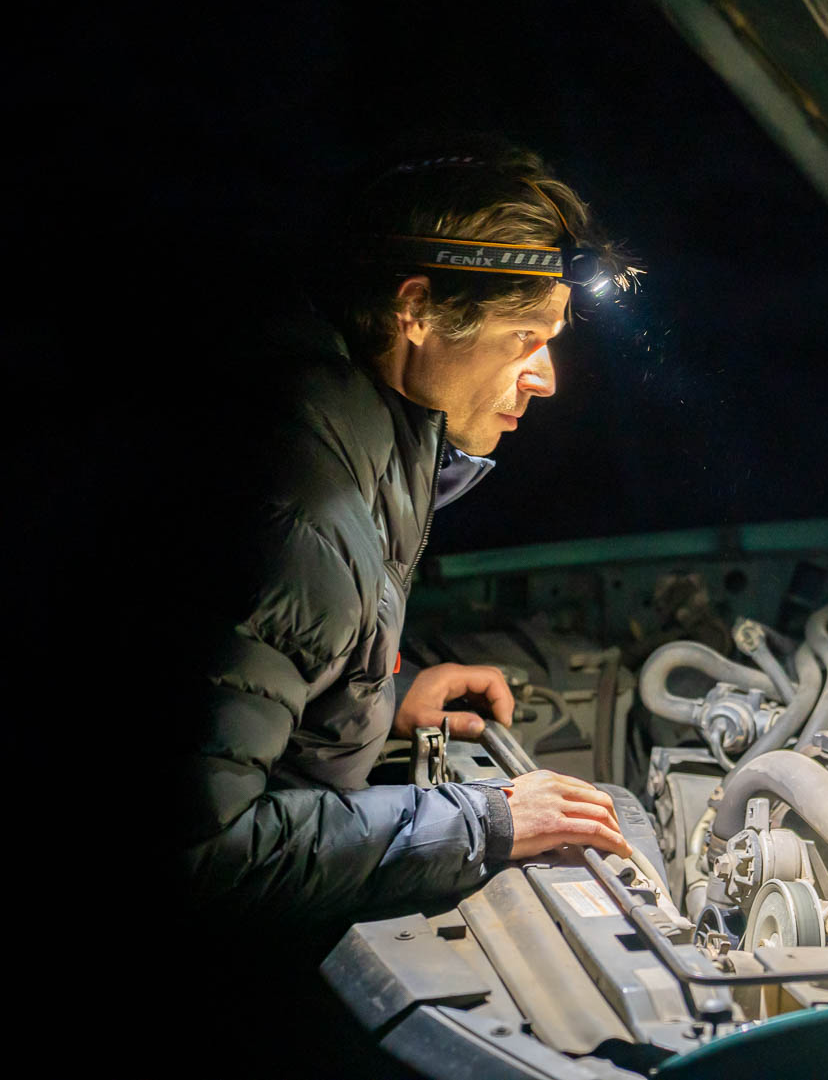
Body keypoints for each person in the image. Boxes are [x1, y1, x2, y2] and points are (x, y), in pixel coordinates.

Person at [174, 143, 637, 922]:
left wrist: (374, 702)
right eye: (526, 334)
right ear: (416, 310)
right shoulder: (304, 510)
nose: (548, 376)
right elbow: (202, 846)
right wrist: (486, 819)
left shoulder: (359, 433)